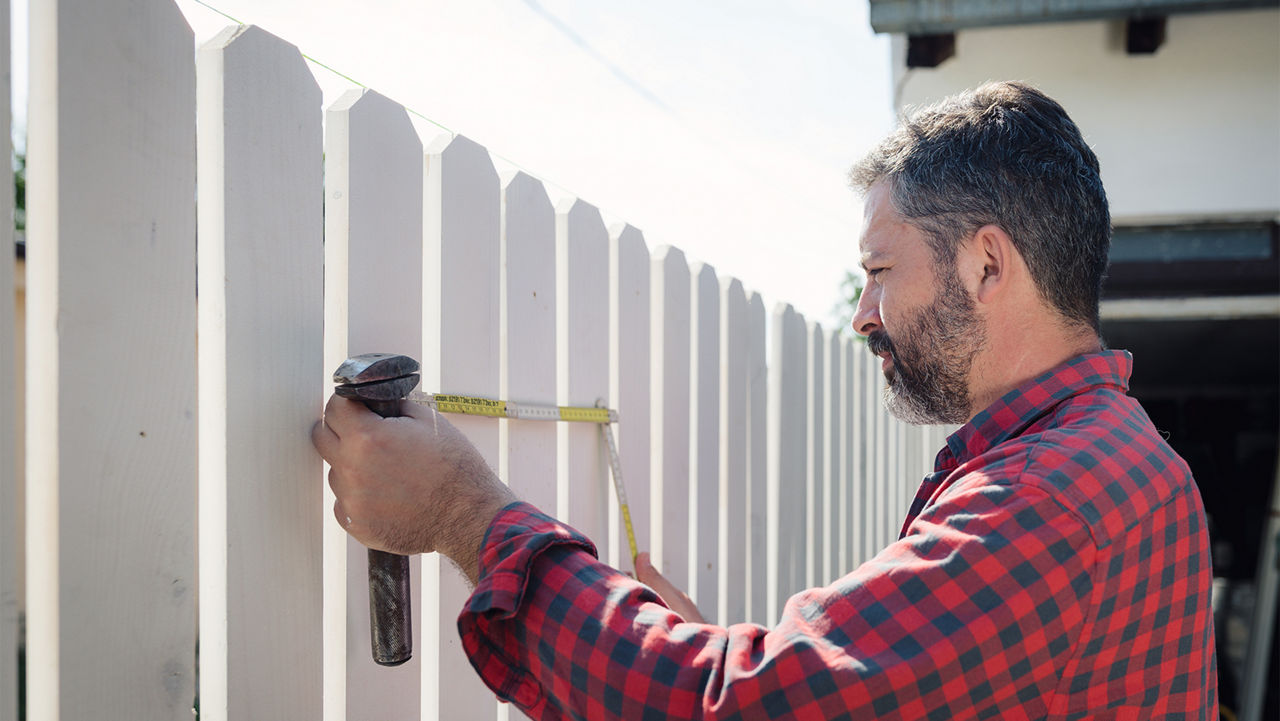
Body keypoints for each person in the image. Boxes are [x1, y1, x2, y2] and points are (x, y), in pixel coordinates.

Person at [313, 81, 1218, 719]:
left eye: (877, 272)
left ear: (987, 263)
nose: (863, 315)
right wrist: (730, 656)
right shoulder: (1131, 457)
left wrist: (464, 514)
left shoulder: (1046, 496)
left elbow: (726, 710)